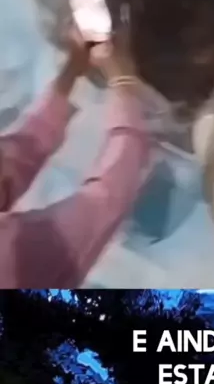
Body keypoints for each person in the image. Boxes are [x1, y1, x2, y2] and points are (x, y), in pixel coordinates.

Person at [0, 26, 150, 287]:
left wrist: (69, 75)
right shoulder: (24, 258)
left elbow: (16, 157)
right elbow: (108, 198)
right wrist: (124, 82)